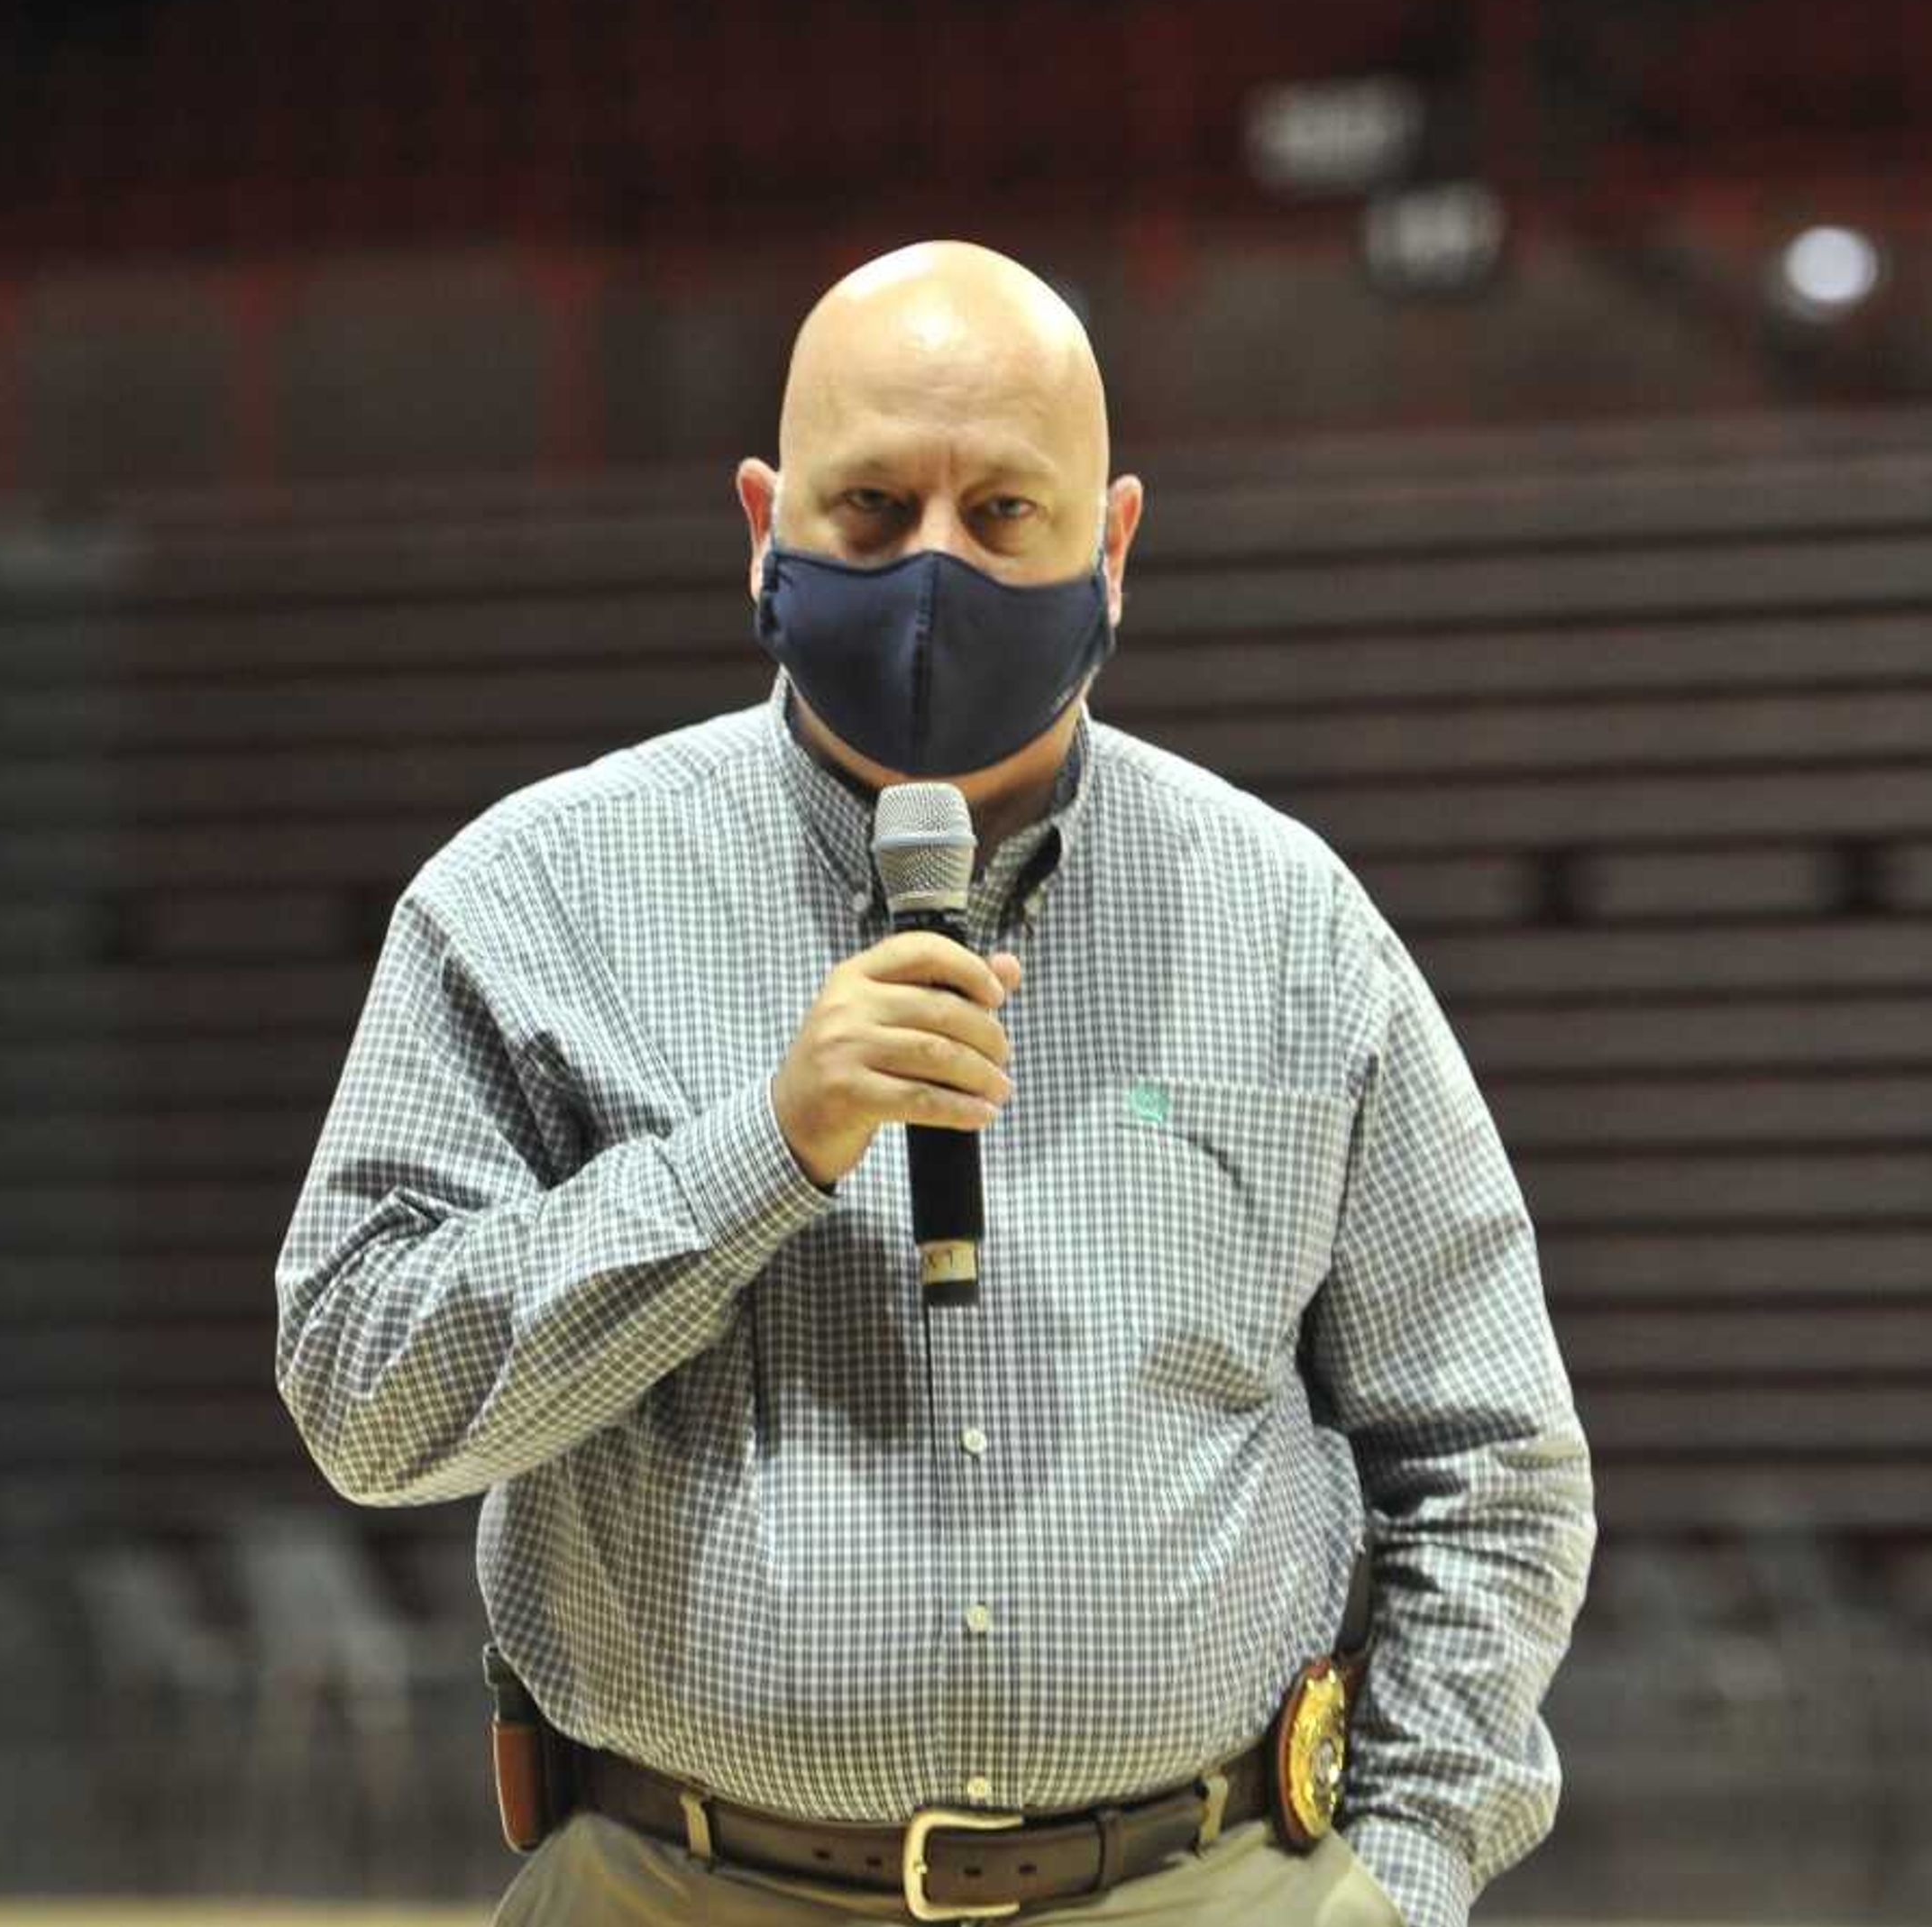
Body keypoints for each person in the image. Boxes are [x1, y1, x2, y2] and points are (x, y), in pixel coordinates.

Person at [274, 239, 1594, 1925]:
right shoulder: (533, 900)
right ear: (765, 524)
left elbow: (1490, 1462)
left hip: (1212, 1887)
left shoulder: (1290, 929)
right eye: (874, 510)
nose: (933, 572)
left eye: (1003, 517)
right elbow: (360, 1392)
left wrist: (1401, 1878)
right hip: (673, 1887)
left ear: (1113, 544)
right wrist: (764, 1148)